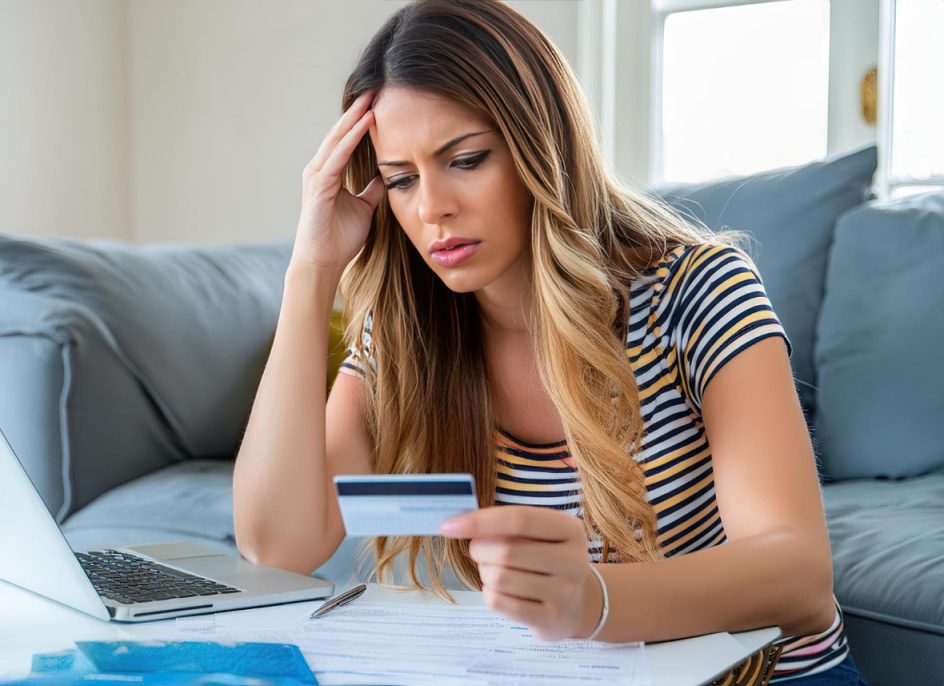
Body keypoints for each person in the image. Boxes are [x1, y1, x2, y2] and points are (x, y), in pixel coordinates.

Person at [232, 1, 867, 683]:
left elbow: (798, 575)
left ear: (543, 145)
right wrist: (311, 273)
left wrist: (590, 600)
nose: (431, 208)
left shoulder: (698, 288)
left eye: (466, 159)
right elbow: (278, 545)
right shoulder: (404, 338)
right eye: (401, 179)